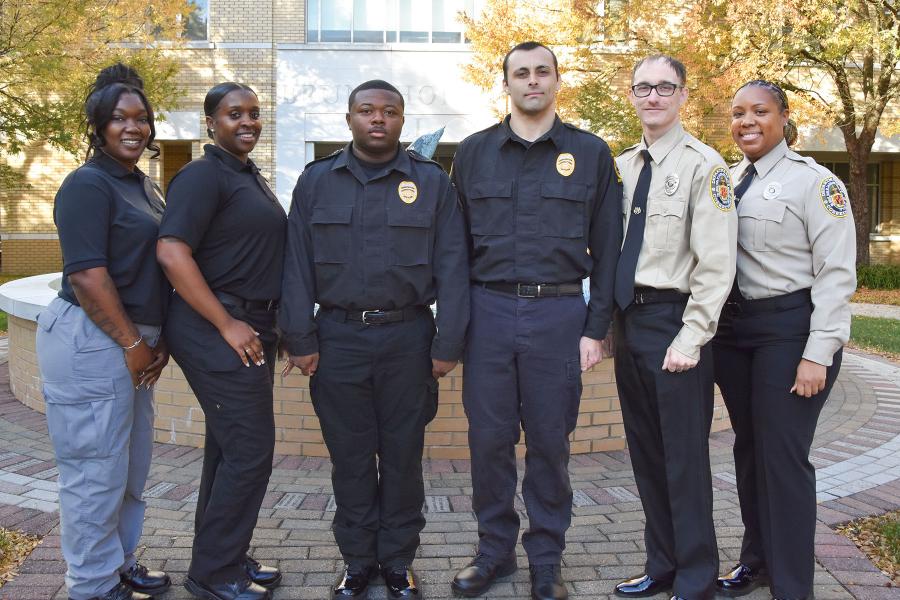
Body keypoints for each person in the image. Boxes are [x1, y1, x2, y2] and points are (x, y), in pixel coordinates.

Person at [278, 79, 469, 600]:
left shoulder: (431, 182)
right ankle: (357, 562)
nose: (378, 119)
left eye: (389, 111)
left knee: (404, 459)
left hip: (409, 340)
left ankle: (399, 562)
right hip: (338, 340)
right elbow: (295, 264)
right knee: (351, 459)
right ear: (349, 119)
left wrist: (448, 344)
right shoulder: (317, 181)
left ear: (402, 120)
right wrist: (299, 337)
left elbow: (454, 265)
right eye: (367, 110)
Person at [449, 42, 622, 600]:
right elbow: (453, 249)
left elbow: (610, 249)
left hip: (558, 314)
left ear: (556, 81)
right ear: (505, 84)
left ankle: (546, 559)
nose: (532, 81)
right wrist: (454, 328)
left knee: (550, 443)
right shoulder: (473, 153)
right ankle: (494, 552)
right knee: (489, 441)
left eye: (542, 71)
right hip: (488, 313)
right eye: (520, 73)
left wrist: (596, 328)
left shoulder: (590, 153)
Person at [712, 80, 856, 600]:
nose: (747, 122)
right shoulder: (727, 181)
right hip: (735, 334)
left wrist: (818, 353)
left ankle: (794, 586)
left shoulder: (814, 184)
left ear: (784, 116)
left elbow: (837, 273)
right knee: (749, 451)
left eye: (760, 111)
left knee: (783, 457)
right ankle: (757, 563)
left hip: (791, 332)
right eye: (738, 113)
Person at [36, 63, 171, 600]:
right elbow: (87, 275)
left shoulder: (142, 185)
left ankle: (119, 563)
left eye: (141, 118)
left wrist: (155, 340)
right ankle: (91, 584)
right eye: (119, 118)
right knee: (93, 471)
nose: (133, 127)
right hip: (93, 338)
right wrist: (134, 343)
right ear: (97, 125)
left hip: (130, 340)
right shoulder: (86, 184)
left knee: (129, 467)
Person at [612, 55, 737, 600]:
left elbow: (717, 264)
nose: (654, 96)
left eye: (665, 87)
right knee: (646, 455)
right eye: (644, 87)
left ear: (683, 95)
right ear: (632, 95)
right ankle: (661, 565)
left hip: (675, 322)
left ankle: (695, 577)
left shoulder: (705, 165)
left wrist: (692, 337)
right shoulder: (622, 166)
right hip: (630, 322)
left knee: (684, 460)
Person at [156, 82, 286, 600]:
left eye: (254, 112)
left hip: (251, 326)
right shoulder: (202, 175)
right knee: (251, 450)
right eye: (235, 114)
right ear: (210, 122)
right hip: (215, 328)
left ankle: (223, 555)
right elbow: (172, 253)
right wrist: (226, 323)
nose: (248, 121)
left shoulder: (246, 174)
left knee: (230, 449)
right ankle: (213, 573)